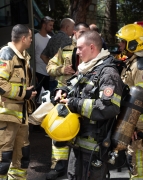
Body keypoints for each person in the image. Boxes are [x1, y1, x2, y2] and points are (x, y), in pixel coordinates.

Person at [54, 30, 123, 180]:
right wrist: (62, 91)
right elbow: (73, 86)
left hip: (94, 146)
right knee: (73, 176)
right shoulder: (87, 69)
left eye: (80, 48)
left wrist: (74, 103)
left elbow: (108, 107)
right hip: (77, 141)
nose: (77, 52)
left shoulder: (108, 73)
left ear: (92, 47)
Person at [45, 22, 90, 180]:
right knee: (59, 131)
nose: (84, 34)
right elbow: (49, 68)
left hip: (83, 97)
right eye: (82, 32)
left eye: (87, 32)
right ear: (75, 33)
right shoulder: (64, 50)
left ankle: (79, 167)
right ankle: (58, 166)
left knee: (84, 134)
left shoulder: (93, 50)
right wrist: (62, 70)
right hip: (63, 96)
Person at [116, 24, 143, 180]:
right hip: (134, 120)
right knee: (133, 156)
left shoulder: (141, 66)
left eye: (122, 41)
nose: (119, 44)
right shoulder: (133, 62)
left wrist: (132, 123)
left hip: (139, 122)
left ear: (133, 43)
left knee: (138, 156)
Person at [0, 24, 37, 180]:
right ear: (23, 38)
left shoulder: (23, 56)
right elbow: (0, 83)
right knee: (3, 158)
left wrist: (27, 94)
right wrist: (25, 93)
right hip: (7, 117)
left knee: (22, 157)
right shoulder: (6, 55)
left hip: (21, 116)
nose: (31, 41)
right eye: (30, 38)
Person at [41, 18, 75, 92]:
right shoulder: (69, 42)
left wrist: (54, 67)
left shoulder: (52, 38)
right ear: (67, 28)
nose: (74, 31)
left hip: (52, 77)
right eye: (73, 28)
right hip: (64, 81)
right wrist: (62, 68)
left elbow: (43, 56)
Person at [35, 16, 54, 103]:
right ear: (43, 25)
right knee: (36, 97)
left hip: (48, 74)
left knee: (46, 99)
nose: (52, 28)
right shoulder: (35, 38)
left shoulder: (50, 39)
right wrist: (33, 72)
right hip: (38, 73)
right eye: (50, 25)